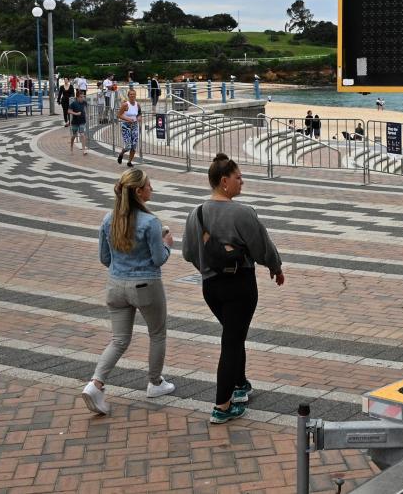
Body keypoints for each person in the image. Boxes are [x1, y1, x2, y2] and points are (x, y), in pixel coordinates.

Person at [183, 154, 285, 424]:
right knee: (231, 342)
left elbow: (188, 252)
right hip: (240, 285)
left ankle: (240, 386)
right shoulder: (243, 213)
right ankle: (222, 405)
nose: (242, 182)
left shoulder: (197, 213)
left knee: (233, 335)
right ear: (224, 181)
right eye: (238, 177)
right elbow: (263, 247)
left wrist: (207, 270)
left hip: (211, 287)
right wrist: (275, 267)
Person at [81, 168, 176, 416]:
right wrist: (167, 245)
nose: (151, 189)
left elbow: (104, 258)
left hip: (115, 285)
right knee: (157, 334)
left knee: (119, 340)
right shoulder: (151, 223)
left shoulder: (107, 219)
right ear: (138, 191)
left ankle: (96, 384)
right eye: (148, 185)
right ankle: (155, 383)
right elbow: (157, 259)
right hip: (146, 285)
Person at [116, 88, 141, 167]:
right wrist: (127, 119)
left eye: (134, 94)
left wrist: (139, 117)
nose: (132, 96)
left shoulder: (137, 104)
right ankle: (121, 154)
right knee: (128, 146)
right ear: (128, 96)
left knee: (134, 146)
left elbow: (139, 113)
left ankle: (129, 162)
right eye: (131, 94)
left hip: (134, 126)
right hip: (126, 126)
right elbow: (119, 115)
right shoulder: (125, 105)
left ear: (135, 95)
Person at [69, 89, 89, 154]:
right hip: (75, 122)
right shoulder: (73, 104)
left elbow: (86, 108)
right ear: (77, 97)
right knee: (74, 136)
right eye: (81, 97)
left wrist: (87, 114)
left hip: (82, 121)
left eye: (83, 96)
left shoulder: (84, 102)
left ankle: (84, 150)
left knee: (82, 134)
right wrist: (76, 113)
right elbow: (69, 111)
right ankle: (71, 147)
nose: (82, 98)